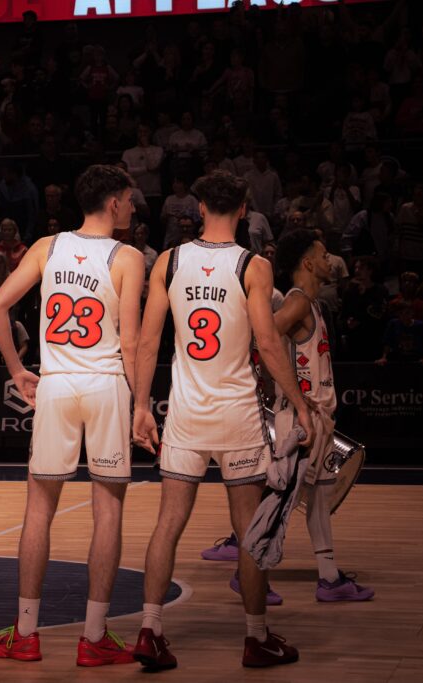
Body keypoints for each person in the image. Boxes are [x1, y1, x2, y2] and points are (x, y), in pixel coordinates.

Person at [131, 170, 313, 671]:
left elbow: (149, 343)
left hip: (186, 413)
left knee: (168, 523)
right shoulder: (253, 266)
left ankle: (149, 630)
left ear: (198, 208)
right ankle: (256, 638)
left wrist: (142, 406)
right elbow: (269, 344)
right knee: (248, 527)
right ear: (244, 209)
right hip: (235, 415)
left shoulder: (168, 261)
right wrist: (299, 405)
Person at [0, 165, 145, 666]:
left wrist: (15, 368)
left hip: (55, 383)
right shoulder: (129, 256)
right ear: (114, 203)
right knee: (108, 511)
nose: (135, 208)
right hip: (105, 383)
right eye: (130, 200)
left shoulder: (48, 247)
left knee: (38, 509)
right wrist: (143, 406)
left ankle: (25, 634)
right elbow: (134, 340)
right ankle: (93, 637)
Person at [203, 230, 375, 602]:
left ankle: (329, 578)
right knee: (279, 500)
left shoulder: (311, 304)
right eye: (324, 254)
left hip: (316, 418)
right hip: (301, 421)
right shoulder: (297, 303)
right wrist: (282, 389)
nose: (331, 261)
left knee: (319, 498)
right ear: (309, 263)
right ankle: (249, 574)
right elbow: (258, 338)